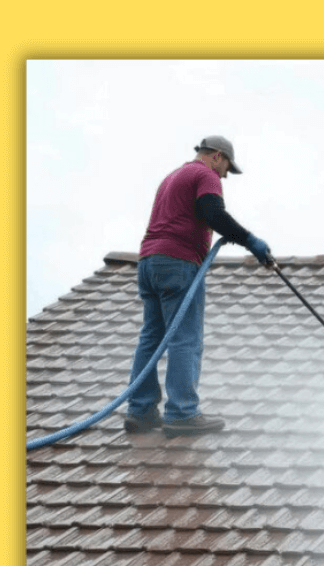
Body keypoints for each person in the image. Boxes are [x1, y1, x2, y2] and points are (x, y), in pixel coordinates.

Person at [123, 136, 272, 436]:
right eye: (226, 167)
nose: (225, 175)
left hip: (149, 262)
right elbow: (214, 213)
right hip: (178, 262)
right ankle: (181, 413)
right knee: (185, 338)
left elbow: (201, 214)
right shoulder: (205, 174)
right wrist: (249, 240)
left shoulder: (172, 176)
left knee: (151, 336)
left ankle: (140, 411)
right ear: (217, 156)